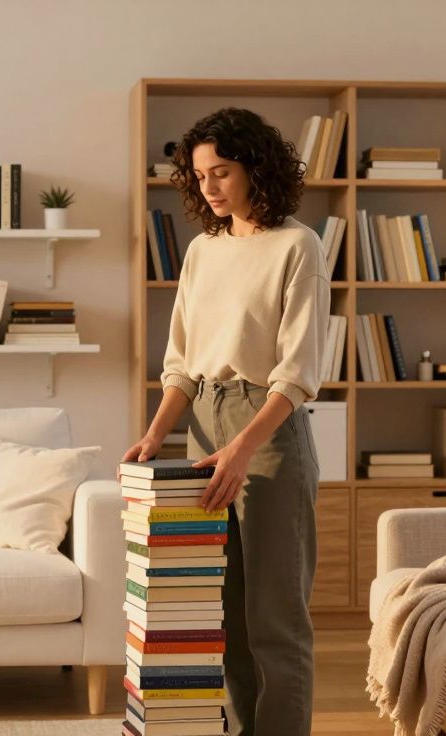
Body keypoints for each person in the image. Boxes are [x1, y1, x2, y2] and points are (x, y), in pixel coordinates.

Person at [122, 107, 328, 736]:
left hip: (266, 433)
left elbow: (297, 373)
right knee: (226, 618)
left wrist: (241, 448)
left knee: (274, 621)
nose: (208, 186)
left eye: (222, 172)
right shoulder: (202, 250)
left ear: (256, 169)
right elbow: (182, 363)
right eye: (199, 175)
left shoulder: (297, 246)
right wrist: (155, 434)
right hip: (202, 425)